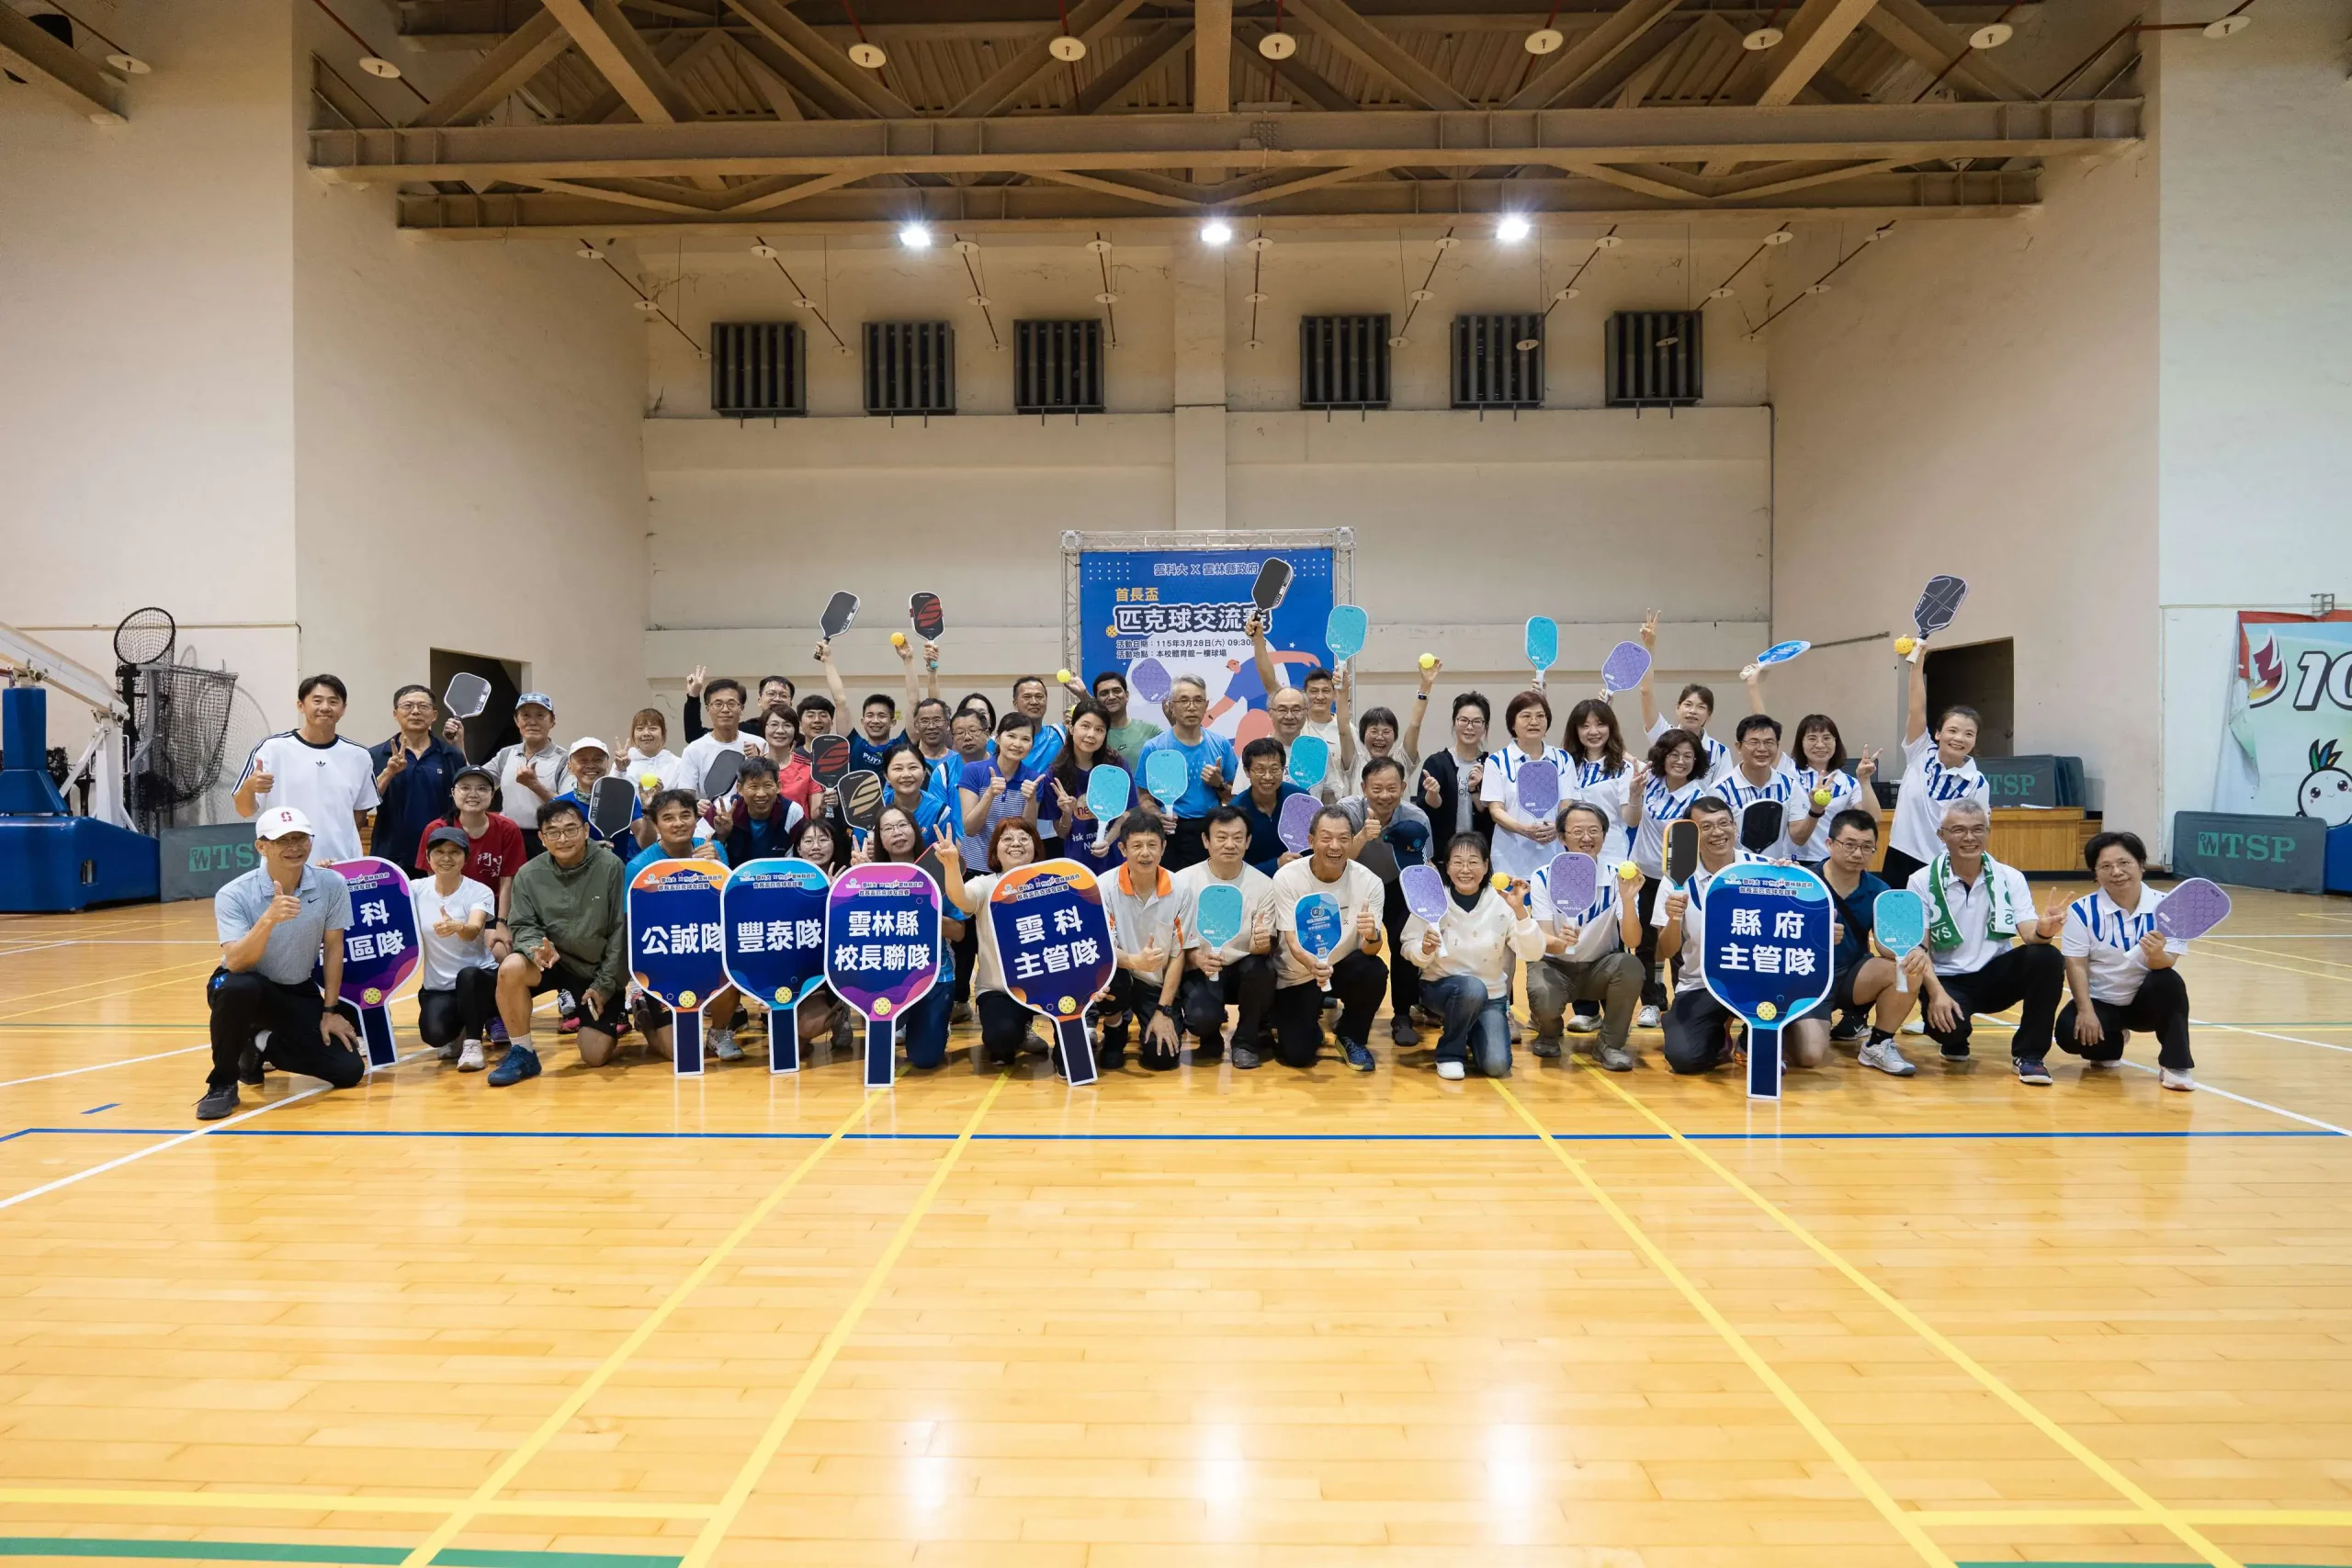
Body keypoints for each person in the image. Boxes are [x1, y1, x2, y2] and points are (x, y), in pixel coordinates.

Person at [198, 807, 367, 1120]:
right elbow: (235, 961)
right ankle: (222, 1083)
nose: (294, 847)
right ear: (261, 846)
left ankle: (258, 1042)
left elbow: (333, 948)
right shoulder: (234, 894)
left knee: (348, 1070)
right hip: (243, 984)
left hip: (296, 988)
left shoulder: (331, 884)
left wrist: (329, 1011)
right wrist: (269, 919)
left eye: (301, 838)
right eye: (283, 840)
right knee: (238, 987)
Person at [1655, 796, 1825, 1077]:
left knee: (1807, 1052)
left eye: (1724, 823)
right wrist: (1673, 918)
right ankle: (1717, 1035)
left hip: (1760, 980)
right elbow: (1665, 951)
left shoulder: (1766, 869)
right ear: (1693, 833)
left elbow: (1798, 926)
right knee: (1685, 1059)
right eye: (1706, 826)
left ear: (1735, 827)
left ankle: (1751, 1036)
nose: (1718, 832)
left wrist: (1792, 884)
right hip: (1702, 984)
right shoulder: (1676, 879)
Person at [1905, 798, 2064, 1084]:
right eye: (1959, 830)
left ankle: (2030, 1055)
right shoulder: (1920, 880)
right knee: (1949, 1031)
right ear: (1942, 835)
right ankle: (1954, 1040)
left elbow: (2029, 933)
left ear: (1988, 832)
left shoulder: (2010, 877)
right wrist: (1936, 994)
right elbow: (1920, 948)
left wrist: (2044, 930)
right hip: (1947, 979)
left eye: (1978, 829)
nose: (1970, 837)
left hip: (1995, 976)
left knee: (2047, 956)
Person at [489, 798, 631, 1085]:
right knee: (511, 966)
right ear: (542, 838)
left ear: (586, 831)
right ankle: (523, 1052)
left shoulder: (611, 867)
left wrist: (604, 986)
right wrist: (536, 950)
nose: (563, 839)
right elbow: (523, 925)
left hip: (592, 972)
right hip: (550, 963)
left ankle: (613, 1016)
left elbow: (621, 932)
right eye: (553, 832)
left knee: (594, 1055)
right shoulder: (529, 874)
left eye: (570, 829)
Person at [2056, 830, 2198, 1091]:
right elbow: (2075, 964)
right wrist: (2086, 1011)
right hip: (2103, 1001)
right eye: (2105, 866)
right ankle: (2112, 1043)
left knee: (2169, 980)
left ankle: (2176, 1064)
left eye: (2124, 863)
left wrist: (2156, 955)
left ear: (2141, 865)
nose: (2116, 872)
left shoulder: (2171, 908)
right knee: (2068, 1033)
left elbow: (2166, 963)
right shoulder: (2081, 911)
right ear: (2095, 873)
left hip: (2146, 1004)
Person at [1405, 832, 1547, 1080]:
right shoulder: (1432, 898)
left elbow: (1533, 952)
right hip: (1440, 988)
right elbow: (1408, 947)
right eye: (1457, 862)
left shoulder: (1503, 902)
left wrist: (1520, 912)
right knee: (1471, 988)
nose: (1465, 870)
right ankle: (1450, 1053)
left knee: (1497, 1066)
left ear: (1486, 865)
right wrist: (1424, 949)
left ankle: (1469, 1028)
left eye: (1473, 862)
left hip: (1491, 997)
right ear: (1447, 867)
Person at [1527, 803, 1648, 1069]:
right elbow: (1544, 939)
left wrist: (1628, 901)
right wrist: (1560, 943)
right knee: (1541, 991)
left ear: (1604, 835)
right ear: (1562, 838)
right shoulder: (1542, 877)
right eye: (1577, 831)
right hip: (1555, 966)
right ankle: (1549, 1032)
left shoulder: (1619, 877)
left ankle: (1609, 1045)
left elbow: (1632, 942)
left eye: (1594, 830)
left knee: (1630, 966)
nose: (1586, 838)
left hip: (1599, 968)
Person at [1269, 806, 1388, 1071]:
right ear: (1311, 841)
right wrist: (1312, 965)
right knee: (1297, 1056)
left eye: (1344, 838)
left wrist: (1372, 936)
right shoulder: (1287, 878)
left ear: (1352, 841)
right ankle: (1309, 1024)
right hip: (1298, 973)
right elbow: (1291, 941)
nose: (1335, 846)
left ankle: (1351, 1035)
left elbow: (1370, 949)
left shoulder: (1370, 882)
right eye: (1326, 838)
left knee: (1374, 970)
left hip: (1342, 966)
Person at [934, 818, 1055, 1068]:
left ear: (1035, 847)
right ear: (995, 851)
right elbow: (961, 899)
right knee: (1001, 1041)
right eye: (1007, 839)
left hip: (1045, 985)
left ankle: (1034, 1027)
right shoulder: (985, 884)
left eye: (1024, 838)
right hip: (998, 989)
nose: (1016, 844)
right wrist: (951, 866)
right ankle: (1018, 1029)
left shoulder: (1052, 883)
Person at [1814, 808, 1926, 1077]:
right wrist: (1814, 935)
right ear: (1829, 844)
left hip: (1851, 978)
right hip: (1807, 980)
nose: (1857, 854)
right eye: (1849, 845)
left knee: (1906, 968)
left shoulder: (1880, 890)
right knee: (1810, 1054)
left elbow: (1889, 947)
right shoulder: (1805, 881)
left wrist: (1913, 952)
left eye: (1867, 847)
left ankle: (1878, 1044)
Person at [851, 804, 959, 1071]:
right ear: (879, 839)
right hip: (886, 975)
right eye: (888, 828)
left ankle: (937, 1025)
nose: (897, 832)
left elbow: (959, 931)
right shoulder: (870, 878)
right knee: (877, 1046)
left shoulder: (938, 871)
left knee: (924, 1059)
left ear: (915, 829)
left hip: (934, 976)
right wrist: (859, 883)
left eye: (902, 825)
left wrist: (921, 912)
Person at [1333, 756, 1433, 1045]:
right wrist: (1363, 836)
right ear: (1364, 787)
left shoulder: (1417, 818)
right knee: (1354, 947)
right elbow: (1337, 860)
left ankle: (1402, 1015)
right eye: (1377, 789)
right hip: (1356, 886)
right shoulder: (1346, 813)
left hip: (1399, 886)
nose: (1385, 796)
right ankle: (1350, 1010)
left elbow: (1423, 866)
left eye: (1392, 788)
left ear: (1403, 787)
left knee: (1404, 945)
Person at [233, 674, 381, 864]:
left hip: (340, 866)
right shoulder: (271, 748)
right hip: (284, 865)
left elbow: (361, 811)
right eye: (317, 701)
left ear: (343, 709)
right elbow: (244, 810)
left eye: (333, 701)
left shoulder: (359, 755)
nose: (325, 707)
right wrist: (249, 787)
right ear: (301, 705)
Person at [1172, 805, 1278, 1066]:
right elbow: (1173, 939)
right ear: (1206, 841)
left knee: (1263, 970)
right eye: (1221, 837)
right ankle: (1210, 1037)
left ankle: (1245, 1041)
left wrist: (1262, 944)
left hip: (1243, 967)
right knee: (1200, 1020)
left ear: (1248, 841)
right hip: (1201, 966)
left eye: (1237, 837)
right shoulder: (1182, 882)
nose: (1230, 844)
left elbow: (1264, 946)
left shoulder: (1264, 885)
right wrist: (1195, 957)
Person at [1624, 728, 1709, 1028]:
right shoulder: (1649, 782)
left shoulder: (1700, 797)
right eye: (1674, 754)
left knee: (1678, 943)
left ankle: (1683, 1002)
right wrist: (1634, 794)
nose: (1681, 761)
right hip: (1644, 876)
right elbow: (1631, 820)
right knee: (1646, 944)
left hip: (1679, 879)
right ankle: (1650, 1002)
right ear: (1663, 756)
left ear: (1696, 761)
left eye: (1688, 756)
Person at [1885, 648, 1990, 888]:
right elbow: (1916, 709)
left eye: (1969, 734)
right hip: (1900, 854)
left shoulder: (1977, 782)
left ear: (1975, 741)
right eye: (1952, 730)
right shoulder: (1920, 751)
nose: (1959, 738)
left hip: (1943, 863)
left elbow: (1977, 829)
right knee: (1896, 912)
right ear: (1938, 734)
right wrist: (1917, 663)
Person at [1095, 814, 1185, 1071]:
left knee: (1162, 1058)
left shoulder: (1181, 889)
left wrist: (1163, 1011)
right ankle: (1114, 1030)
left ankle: (1158, 1016)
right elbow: (1102, 948)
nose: (1145, 853)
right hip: (1119, 974)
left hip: (1154, 983)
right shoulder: (1103, 886)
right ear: (1123, 849)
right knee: (1112, 977)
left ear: (1163, 847)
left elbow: (1179, 954)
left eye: (1152, 845)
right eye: (1137, 846)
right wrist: (1135, 961)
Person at [411, 826, 499, 1071]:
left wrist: (458, 926)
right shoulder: (415, 890)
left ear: (466, 858)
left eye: (454, 852)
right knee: (435, 1035)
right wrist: (334, 871)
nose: (446, 858)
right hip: (439, 987)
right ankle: (459, 1027)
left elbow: (473, 930)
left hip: (479, 980)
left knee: (468, 976)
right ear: (428, 857)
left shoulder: (479, 891)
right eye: (439, 852)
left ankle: (473, 1042)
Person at [1136, 675, 1238, 872]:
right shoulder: (1154, 747)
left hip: (1211, 830)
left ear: (1206, 705)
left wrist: (1219, 784)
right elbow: (1144, 797)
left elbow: (1234, 796)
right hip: (1170, 833)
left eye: (1198, 700)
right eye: (1184, 700)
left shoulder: (1221, 744)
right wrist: (1159, 815)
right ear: (1171, 707)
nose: (1191, 707)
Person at [368, 683, 468, 874]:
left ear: (434, 715)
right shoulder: (376, 755)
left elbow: (465, 798)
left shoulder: (451, 755)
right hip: (390, 855)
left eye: (423, 706)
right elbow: (365, 803)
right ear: (395, 714)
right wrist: (389, 773)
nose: (415, 711)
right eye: (407, 706)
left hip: (440, 854)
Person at [1479, 691, 1575, 886]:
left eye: (1540, 716)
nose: (1534, 722)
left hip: (1553, 856)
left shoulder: (1563, 759)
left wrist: (1558, 827)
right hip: (1510, 860)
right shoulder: (1496, 761)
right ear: (1512, 724)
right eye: (1526, 716)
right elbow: (1496, 810)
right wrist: (1524, 829)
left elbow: (1567, 804)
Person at [413, 765, 526, 919]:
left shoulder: (508, 828)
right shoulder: (436, 829)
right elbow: (434, 877)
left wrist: (502, 921)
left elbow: (507, 881)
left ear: (492, 794)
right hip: (450, 910)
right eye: (465, 788)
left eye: (482, 788)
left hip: (493, 910)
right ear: (453, 792)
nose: (473, 794)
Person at [1635, 611, 1732, 781]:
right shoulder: (1663, 734)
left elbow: (1722, 792)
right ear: (1678, 708)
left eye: (1701, 707)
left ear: (1709, 716)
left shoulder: (1720, 752)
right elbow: (1646, 692)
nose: (1693, 711)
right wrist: (1649, 648)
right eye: (1688, 704)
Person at [1784, 715, 1880, 870]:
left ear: (1836, 742)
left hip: (1831, 861)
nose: (1820, 745)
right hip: (1792, 860)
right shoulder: (1788, 775)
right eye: (1812, 738)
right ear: (1800, 743)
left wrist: (1865, 781)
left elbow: (1873, 819)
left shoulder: (1847, 783)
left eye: (1827, 738)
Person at [483, 694, 569, 858]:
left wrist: (534, 785)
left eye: (540, 715)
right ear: (517, 721)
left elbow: (567, 806)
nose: (532, 722)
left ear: (552, 721)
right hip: (508, 836)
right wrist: (459, 745)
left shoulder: (565, 759)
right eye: (526, 716)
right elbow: (476, 780)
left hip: (548, 838)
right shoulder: (506, 754)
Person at [1049, 698, 1126, 878]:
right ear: (1071, 728)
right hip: (1077, 868)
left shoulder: (1116, 765)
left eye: (1099, 729)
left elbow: (1125, 813)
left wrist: (1107, 841)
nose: (1091, 734)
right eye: (1085, 726)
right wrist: (1067, 813)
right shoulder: (1055, 773)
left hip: (1115, 863)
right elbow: (1061, 833)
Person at [1711, 715, 1803, 861]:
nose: (1762, 749)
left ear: (1777, 746)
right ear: (1738, 747)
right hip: (1734, 869)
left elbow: (1799, 838)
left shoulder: (1789, 786)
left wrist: (1816, 810)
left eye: (1769, 742)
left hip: (1776, 868)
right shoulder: (1720, 790)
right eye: (1754, 742)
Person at [1563, 697, 1635, 867]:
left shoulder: (1623, 768)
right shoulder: (1566, 764)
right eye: (1585, 726)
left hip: (1612, 853)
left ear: (1610, 727)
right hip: (1571, 851)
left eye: (1600, 724)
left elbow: (1631, 820)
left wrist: (1636, 796)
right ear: (1576, 730)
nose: (1593, 731)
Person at [1417, 691, 1492, 852]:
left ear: (1485, 727)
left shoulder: (1492, 765)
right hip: (1443, 855)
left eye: (1477, 722)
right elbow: (1424, 810)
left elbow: (1493, 816)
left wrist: (1476, 791)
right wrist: (1433, 794)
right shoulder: (1436, 763)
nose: (1469, 727)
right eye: (1463, 720)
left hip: (1480, 855)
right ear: (1454, 722)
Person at [959, 712, 1043, 847]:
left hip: (1014, 857)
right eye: (1011, 736)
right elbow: (970, 829)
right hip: (975, 859)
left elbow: (1029, 834)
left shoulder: (1034, 780)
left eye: (1025, 739)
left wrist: (1031, 800)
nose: (1018, 744)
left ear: (1032, 745)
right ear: (997, 738)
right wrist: (990, 793)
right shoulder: (973, 771)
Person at [707, 755, 806, 863]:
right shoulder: (723, 809)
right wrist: (721, 836)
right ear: (740, 789)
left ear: (778, 786)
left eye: (767, 785)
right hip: (730, 873)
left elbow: (802, 859)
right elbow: (699, 847)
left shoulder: (793, 812)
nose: (761, 794)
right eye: (753, 786)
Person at [1230, 736, 1305, 875]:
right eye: (1260, 770)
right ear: (1246, 771)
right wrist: (1276, 864)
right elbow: (1234, 866)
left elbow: (1312, 849)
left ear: (1283, 769)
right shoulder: (1235, 811)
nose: (1268, 777)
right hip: (1254, 882)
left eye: (1274, 769)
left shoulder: (1299, 799)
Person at [678, 679, 759, 802]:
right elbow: (686, 795)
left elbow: (768, 787)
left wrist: (758, 762)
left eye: (731, 704)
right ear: (708, 709)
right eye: (718, 704)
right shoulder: (693, 750)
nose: (725, 709)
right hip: (709, 813)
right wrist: (696, 804)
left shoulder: (759, 744)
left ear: (741, 708)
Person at [547, 738, 635, 846]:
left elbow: (645, 841)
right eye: (582, 760)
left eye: (598, 760)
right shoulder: (557, 805)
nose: (591, 765)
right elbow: (555, 845)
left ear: (607, 764)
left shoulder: (626, 799)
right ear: (570, 767)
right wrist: (590, 849)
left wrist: (647, 809)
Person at [1091, 669, 1161, 772]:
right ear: (1096, 700)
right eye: (1104, 693)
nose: (1111, 697)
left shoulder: (1150, 730)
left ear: (1127, 695)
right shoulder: (1092, 735)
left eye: (1116, 691)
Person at [619, 707, 684, 795]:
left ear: (663, 733)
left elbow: (684, 798)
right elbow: (611, 794)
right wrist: (620, 770)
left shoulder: (678, 764)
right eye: (640, 729)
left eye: (653, 728)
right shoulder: (623, 762)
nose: (646, 733)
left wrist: (661, 797)